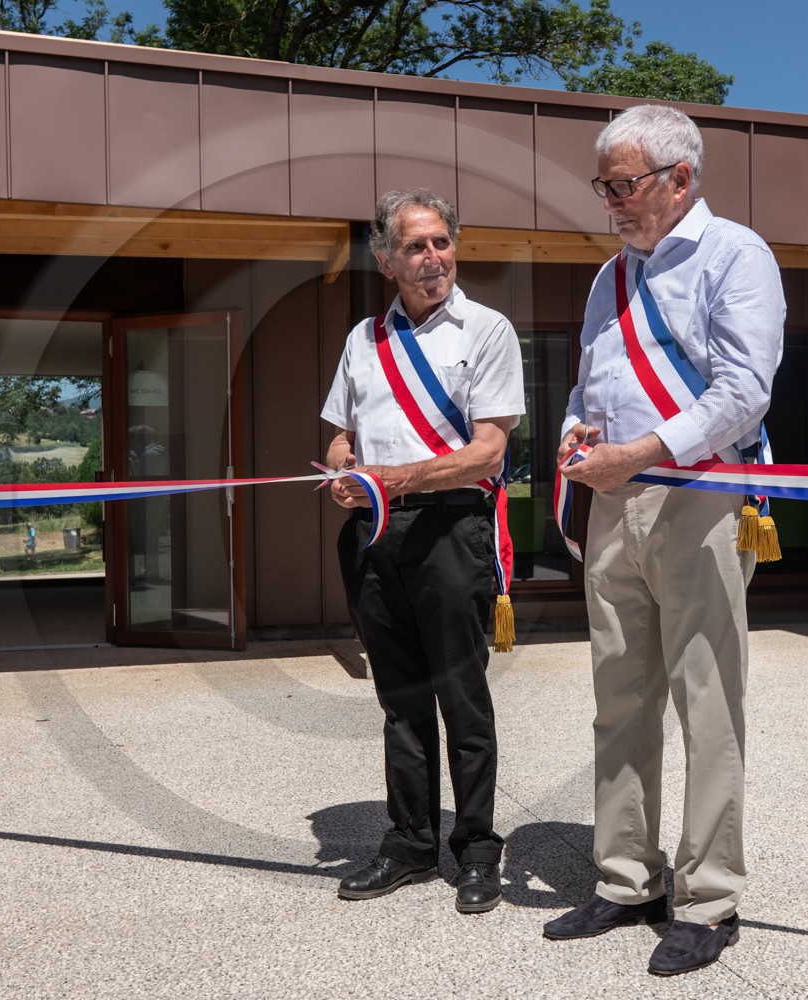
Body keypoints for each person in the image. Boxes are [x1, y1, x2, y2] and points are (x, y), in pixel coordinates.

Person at [543, 105, 785, 975]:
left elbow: (744, 391)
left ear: (682, 179)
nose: (610, 199)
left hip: (703, 501)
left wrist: (640, 452)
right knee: (619, 697)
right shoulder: (607, 279)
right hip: (613, 504)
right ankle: (625, 877)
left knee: (708, 703)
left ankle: (710, 895)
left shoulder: (737, 257)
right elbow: (588, 387)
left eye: (625, 183)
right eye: (603, 184)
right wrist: (577, 434)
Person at [321, 188, 525, 914]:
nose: (433, 257)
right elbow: (340, 435)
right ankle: (409, 842)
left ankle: (475, 848)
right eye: (415, 246)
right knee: (400, 700)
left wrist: (397, 478)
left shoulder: (488, 329)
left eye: (441, 242)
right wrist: (347, 470)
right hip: (377, 534)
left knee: (462, 700)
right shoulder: (362, 340)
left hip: (450, 531)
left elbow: (489, 450)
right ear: (385, 260)